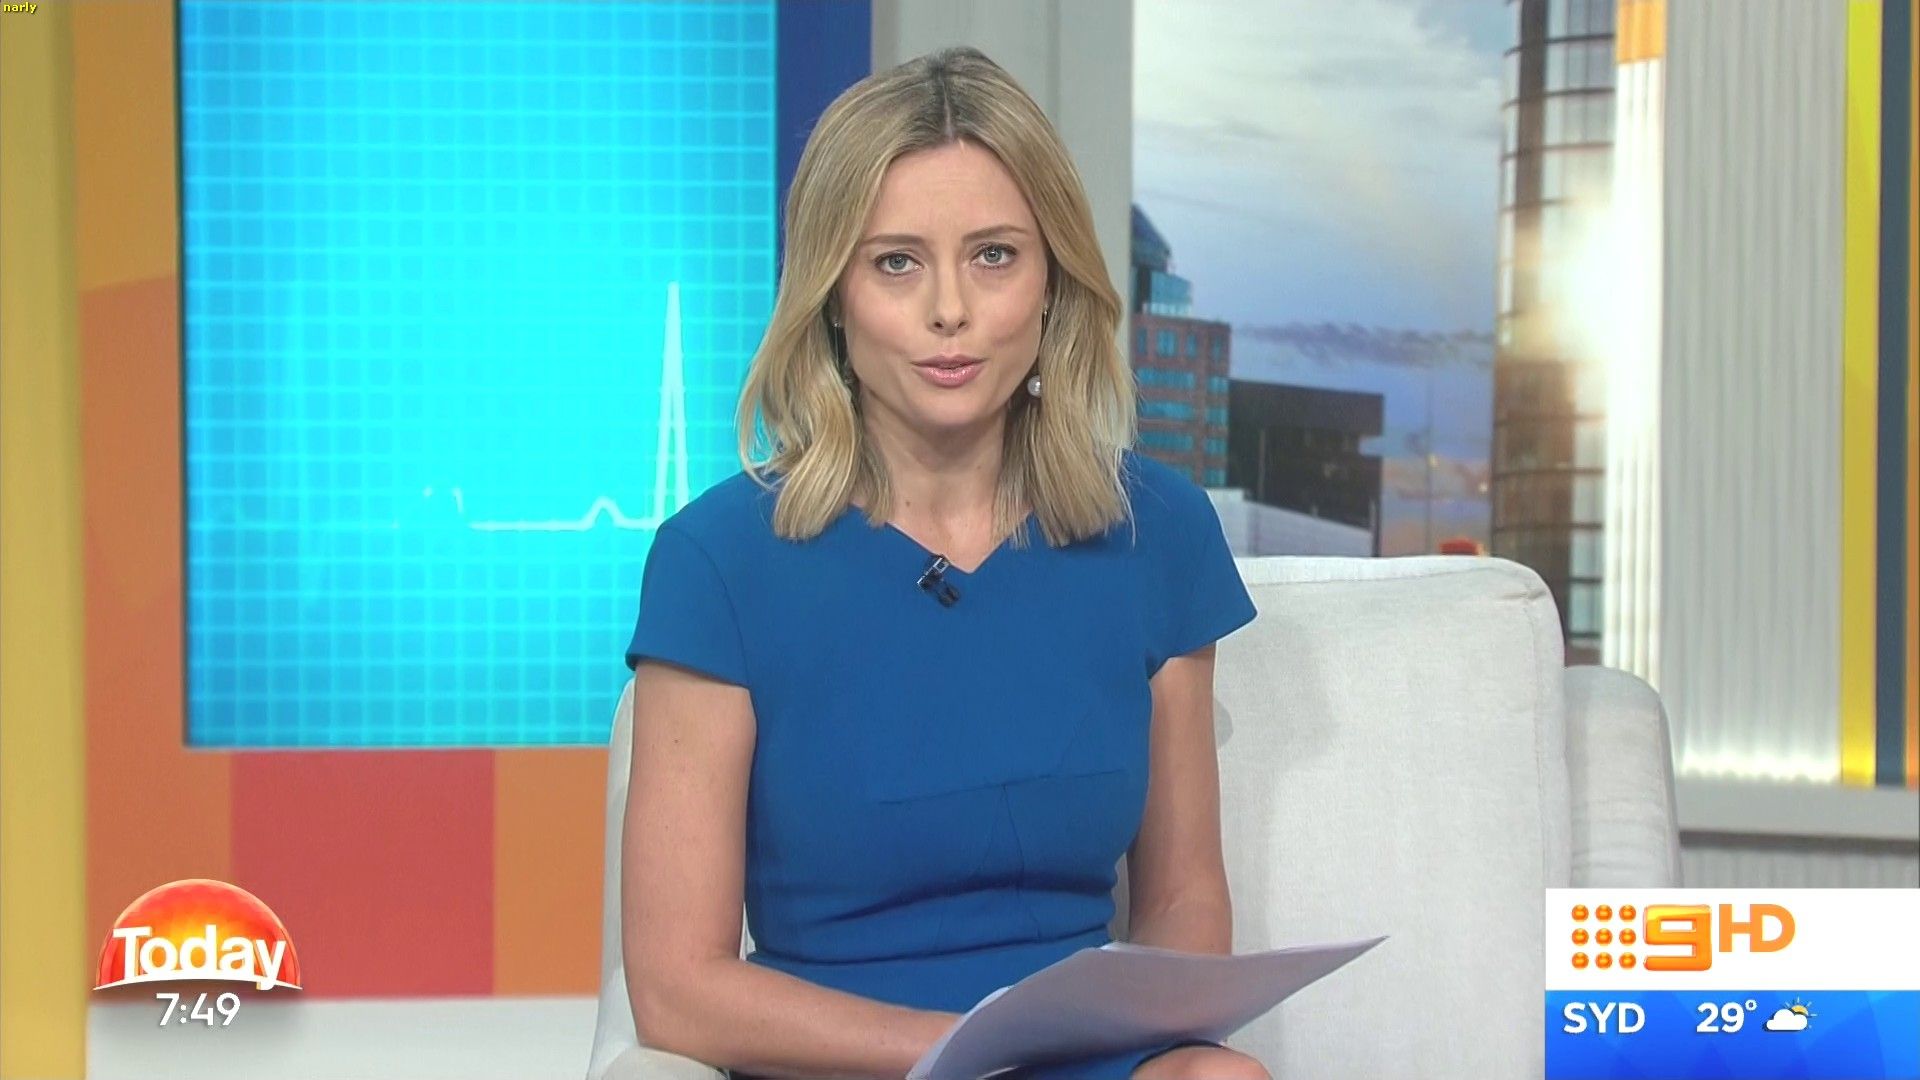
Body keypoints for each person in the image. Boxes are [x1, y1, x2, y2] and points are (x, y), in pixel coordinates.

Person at [619, 46, 1268, 1080]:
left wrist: (1096, 1043)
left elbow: (1186, 898)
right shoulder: (719, 562)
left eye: (995, 256)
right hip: (843, 1061)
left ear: (1052, 283)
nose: (950, 310)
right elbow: (677, 987)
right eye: (897, 263)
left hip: (1077, 1057)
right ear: (832, 295)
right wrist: (965, 1054)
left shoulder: (1160, 532)